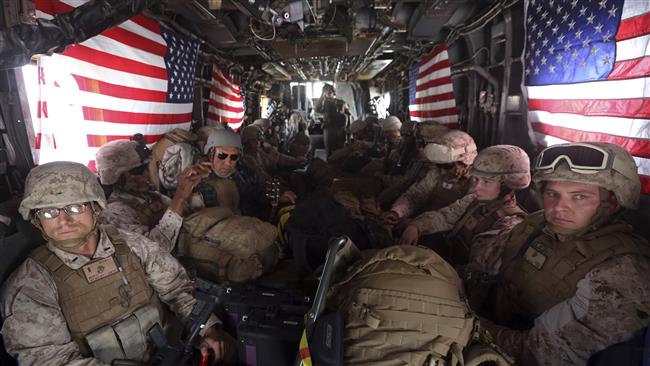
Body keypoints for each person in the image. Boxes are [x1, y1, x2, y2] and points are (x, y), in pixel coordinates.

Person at [1, 161, 233, 365]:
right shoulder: (30, 286)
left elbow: (177, 291)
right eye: (49, 212)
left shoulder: (133, 246)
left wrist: (206, 330)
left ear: (96, 208)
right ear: (36, 219)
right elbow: (51, 360)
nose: (64, 221)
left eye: (75, 207)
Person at [475, 142, 650, 365]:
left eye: (579, 197)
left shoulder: (623, 272)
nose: (559, 207)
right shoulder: (536, 224)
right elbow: (492, 273)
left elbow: (537, 353)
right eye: (552, 193)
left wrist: (466, 324)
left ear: (613, 202)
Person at [399, 145, 529, 267]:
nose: (477, 187)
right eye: (476, 179)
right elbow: (445, 216)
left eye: (486, 182)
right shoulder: (474, 200)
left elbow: (477, 270)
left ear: (507, 186)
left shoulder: (511, 225)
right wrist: (416, 226)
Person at [96, 139, 208, 252]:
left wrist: (193, 183)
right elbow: (156, 250)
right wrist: (179, 197)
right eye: (139, 170)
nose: (147, 173)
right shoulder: (114, 213)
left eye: (146, 167)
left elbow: (185, 215)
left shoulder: (148, 196)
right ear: (118, 178)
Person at [382, 129, 477, 226]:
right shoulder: (436, 173)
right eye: (439, 165)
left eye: (447, 166)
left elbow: (455, 213)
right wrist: (397, 212)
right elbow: (415, 195)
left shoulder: (477, 183)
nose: (442, 172)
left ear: (465, 163)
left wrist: (418, 225)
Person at [192, 128, 244, 213]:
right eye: (222, 156)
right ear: (210, 154)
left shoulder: (235, 175)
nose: (228, 163)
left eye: (234, 157)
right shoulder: (200, 182)